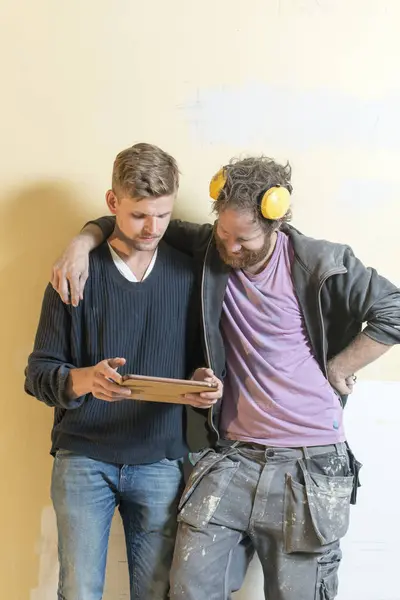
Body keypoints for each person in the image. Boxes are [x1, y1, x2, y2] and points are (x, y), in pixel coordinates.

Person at [50, 155, 400, 600]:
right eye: (224, 234)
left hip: (309, 460)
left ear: (276, 223)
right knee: (187, 589)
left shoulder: (321, 262)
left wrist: (341, 368)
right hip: (232, 455)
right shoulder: (208, 248)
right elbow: (130, 218)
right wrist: (82, 241)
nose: (231, 249)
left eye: (245, 239)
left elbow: (395, 309)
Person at [24, 142, 223, 600]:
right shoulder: (74, 273)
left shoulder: (188, 273)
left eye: (163, 215)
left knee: (155, 591)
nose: (152, 228)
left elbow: (201, 361)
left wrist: (204, 386)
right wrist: (85, 380)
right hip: (83, 459)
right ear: (112, 203)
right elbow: (38, 373)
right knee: (78, 590)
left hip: (160, 460)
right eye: (138, 216)